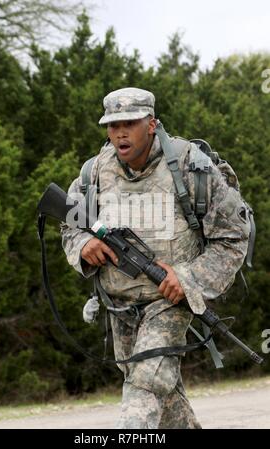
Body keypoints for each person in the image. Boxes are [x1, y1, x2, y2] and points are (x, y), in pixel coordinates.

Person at [60, 87, 250, 429]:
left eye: (130, 123)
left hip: (169, 301)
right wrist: (83, 245)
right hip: (120, 304)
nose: (120, 132)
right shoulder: (93, 174)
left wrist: (189, 279)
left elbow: (233, 237)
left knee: (146, 383)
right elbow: (69, 224)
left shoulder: (192, 169)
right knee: (163, 392)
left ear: (151, 124)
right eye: (112, 124)